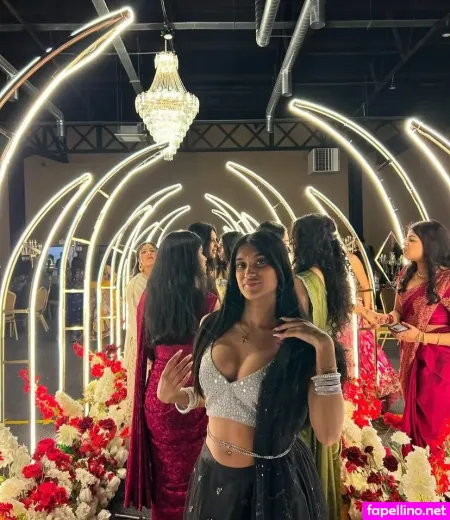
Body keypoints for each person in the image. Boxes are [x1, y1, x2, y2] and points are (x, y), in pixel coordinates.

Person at [158, 230, 345, 520]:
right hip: (211, 475)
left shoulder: (298, 344)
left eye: (261, 262)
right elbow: (214, 398)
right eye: (241, 264)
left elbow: (329, 434)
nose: (249, 272)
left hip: (271, 484)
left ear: (280, 270)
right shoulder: (212, 326)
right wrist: (176, 396)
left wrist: (325, 348)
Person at [124, 231, 219, 520]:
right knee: (198, 479)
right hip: (195, 395)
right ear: (188, 259)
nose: (204, 258)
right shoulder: (208, 302)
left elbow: (146, 351)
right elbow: (217, 355)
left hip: (159, 394)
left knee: (166, 480)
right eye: (200, 253)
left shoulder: (148, 301)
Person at [359, 220, 450, 448]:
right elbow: (398, 312)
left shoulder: (447, 281)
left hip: (438, 363)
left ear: (429, 244)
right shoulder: (405, 275)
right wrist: (386, 319)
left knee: (434, 426)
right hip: (410, 356)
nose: (405, 243)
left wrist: (421, 337)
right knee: (414, 424)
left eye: (412, 239)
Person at [291, 214, 351, 520]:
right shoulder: (329, 277)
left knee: (306, 443)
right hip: (326, 368)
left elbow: (293, 333)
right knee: (324, 445)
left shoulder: (300, 282)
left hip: (305, 372)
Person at [347, 251, 400, 411]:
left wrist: (367, 312)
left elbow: (366, 287)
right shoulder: (320, 260)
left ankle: (368, 400)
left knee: (364, 354)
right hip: (339, 315)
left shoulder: (350, 258)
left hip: (355, 314)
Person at [122, 242, 158, 422]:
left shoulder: (158, 281)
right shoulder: (138, 283)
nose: (149, 253)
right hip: (142, 341)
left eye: (152, 250)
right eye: (144, 252)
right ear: (139, 261)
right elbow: (145, 317)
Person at [187, 222, 219, 295]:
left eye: (216, 240)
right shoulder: (194, 278)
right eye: (212, 240)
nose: (217, 245)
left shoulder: (209, 272)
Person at [215, 231, 243, 301]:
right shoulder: (217, 271)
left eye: (221, 245)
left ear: (230, 246)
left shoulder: (243, 271)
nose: (218, 249)